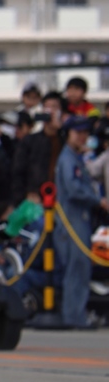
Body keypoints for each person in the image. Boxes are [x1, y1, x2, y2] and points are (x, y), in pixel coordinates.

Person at [54, 116, 105, 329]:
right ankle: (74, 317)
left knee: (79, 269)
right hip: (72, 221)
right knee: (76, 269)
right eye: (78, 133)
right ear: (69, 134)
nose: (82, 137)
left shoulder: (75, 158)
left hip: (78, 219)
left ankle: (75, 315)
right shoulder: (68, 159)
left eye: (85, 133)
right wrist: (98, 200)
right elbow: (74, 189)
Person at [12, 91, 67, 205]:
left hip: (61, 200)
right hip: (35, 200)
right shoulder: (29, 141)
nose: (50, 111)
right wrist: (26, 194)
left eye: (54, 107)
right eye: (46, 107)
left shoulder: (65, 140)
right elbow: (18, 172)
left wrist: (60, 128)